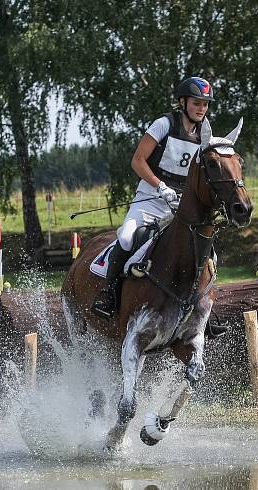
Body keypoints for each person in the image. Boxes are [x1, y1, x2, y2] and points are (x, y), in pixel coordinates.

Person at [92, 77, 214, 319]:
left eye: (205, 104)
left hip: (181, 206)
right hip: (150, 199)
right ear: (183, 102)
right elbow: (137, 161)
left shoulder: (205, 133)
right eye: (197, 103)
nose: (202, 108)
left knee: (207, 252)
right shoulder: (164, 124)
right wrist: (160, 186)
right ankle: (109, 295)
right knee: (126, 239)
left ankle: (203, 312)